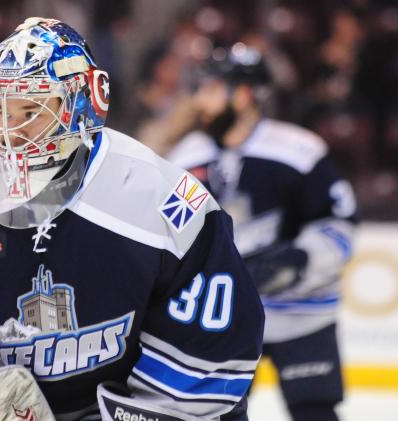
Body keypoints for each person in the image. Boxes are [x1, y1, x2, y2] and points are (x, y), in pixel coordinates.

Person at [0, 18, 264, 421]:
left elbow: (210, 356)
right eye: (1, 109)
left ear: (83, 102)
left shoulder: (163, 199)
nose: (11, 132)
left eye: (30, 109)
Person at [166, 44, 358, 421]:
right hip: (223, 316)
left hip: (302, 312)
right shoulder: (185, 158)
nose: (199, 100)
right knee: (211, 414)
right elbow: (172, 234)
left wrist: (299, 260)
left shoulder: (299, 150)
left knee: (315, 411)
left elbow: (339, 224)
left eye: (210, 88)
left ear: (244, 94)